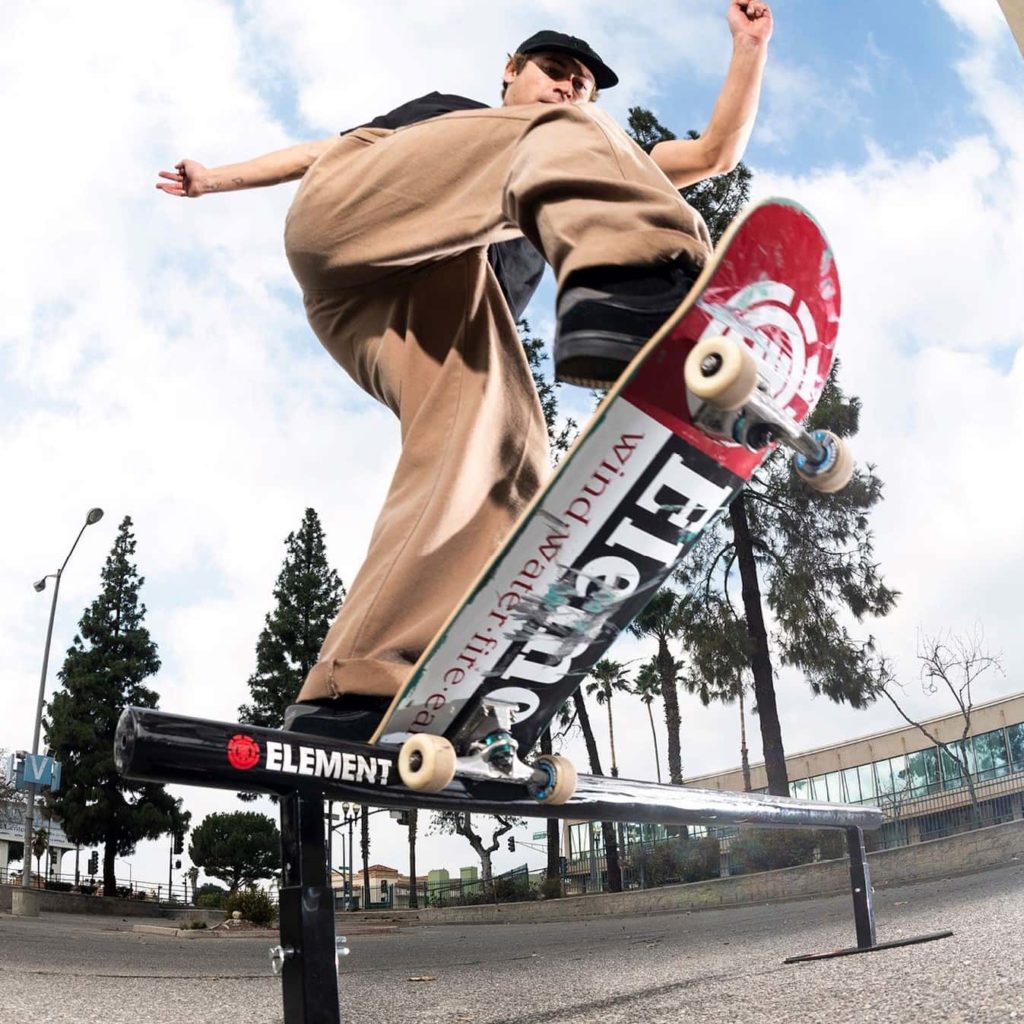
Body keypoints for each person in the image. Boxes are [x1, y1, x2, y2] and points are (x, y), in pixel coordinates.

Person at [156, 1, 773, 742]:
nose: (568, 89)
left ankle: (364, 684)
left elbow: (712, 155)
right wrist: (215, 179)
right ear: (510, 71)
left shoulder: (578, 155)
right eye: (555, 72)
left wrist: (748, 48)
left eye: (581, 85)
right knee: (563, 137)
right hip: (351, 233)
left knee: (501, 447)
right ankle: (640, 291)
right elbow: (319, 154)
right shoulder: (464, 118)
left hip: (422, 312)